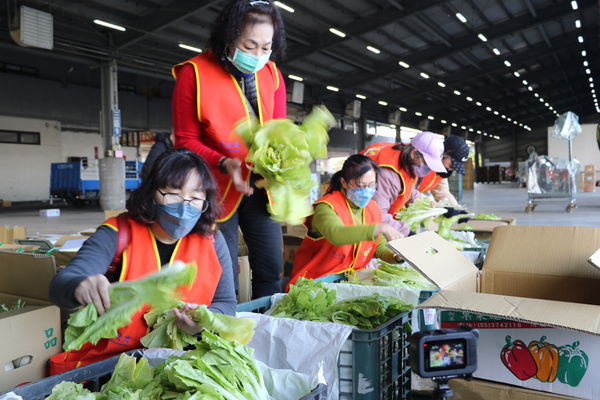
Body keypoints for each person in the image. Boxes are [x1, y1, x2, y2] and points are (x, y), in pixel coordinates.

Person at [49, 149, 236, 373]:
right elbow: (61, 284)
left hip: (179, 363)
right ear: (152, 192)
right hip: (110, 367)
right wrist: (79, 285)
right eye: (173, 194)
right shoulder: (118, 233)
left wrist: (203, 322)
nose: (184, 206)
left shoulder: (212, 239)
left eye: (195, 198)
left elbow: (226, 303)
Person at [171, 0, 287, 298]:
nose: (259, 56)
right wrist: (225, 163)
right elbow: (185, 141)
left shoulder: (272, 75)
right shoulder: (193, 73)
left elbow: (279, 130)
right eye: (249, 45)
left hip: (262, 189)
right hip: (216, 189)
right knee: (223, 276)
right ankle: (226, 332)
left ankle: (269, 329)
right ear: (228, 36)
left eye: (266, 47)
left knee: (271, 269)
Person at [288, 155, 405, 287]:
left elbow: (377, 245)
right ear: (344, 183)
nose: (366, 191)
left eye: (371, 185)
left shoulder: (373, 208)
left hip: (347, 283)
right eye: (361, 185)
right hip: (313, 284)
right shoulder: (326, 207)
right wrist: (381, 228)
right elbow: (337, 234)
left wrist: (396, 256)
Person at [361, 131, 447, 235]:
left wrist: (424, 204)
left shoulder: (405, 158)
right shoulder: (387, 174)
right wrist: (406, 230)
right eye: (427, 164)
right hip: (359, 226)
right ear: (414, 153)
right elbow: (378, 215)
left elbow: (407, 188)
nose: (428, 170)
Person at [417, 135, 470, 206]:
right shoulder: (420, 163)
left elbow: (443, 194)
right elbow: (410, 192)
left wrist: (456, 209)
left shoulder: (441, 171)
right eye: (452, 165)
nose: (451, 169)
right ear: (444, 154)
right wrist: (428, 204)